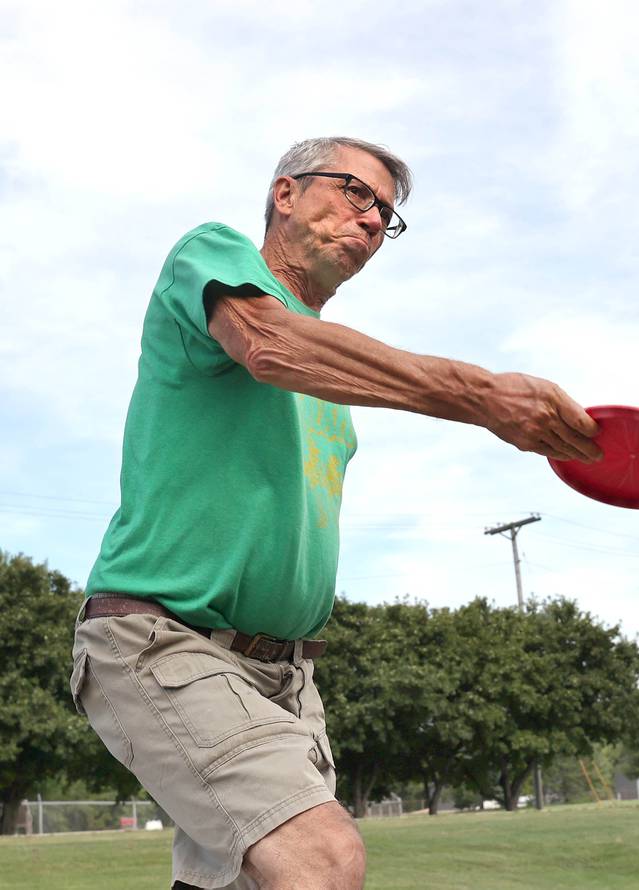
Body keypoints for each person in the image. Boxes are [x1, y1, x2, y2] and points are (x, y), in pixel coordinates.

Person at [70, 136, 601, 890]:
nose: (374, 220)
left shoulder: (336, 406)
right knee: (325, 858)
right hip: (162, 641)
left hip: (288, 675)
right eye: (358, 193)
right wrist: (481, 395)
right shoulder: (210, 256)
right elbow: (269, 344)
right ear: (285, 193)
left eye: (386, 214)